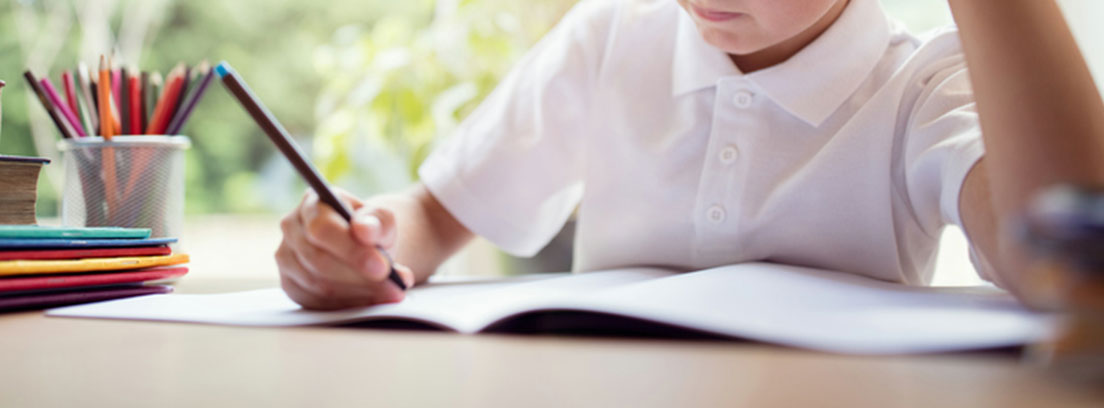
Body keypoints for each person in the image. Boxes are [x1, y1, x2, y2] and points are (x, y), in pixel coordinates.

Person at [276, 0, 1104, 310]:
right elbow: (434, 216)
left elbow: (1071, 264)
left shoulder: (925, 88)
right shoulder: (610, 37)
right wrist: (365, 241)